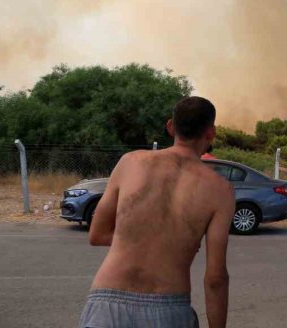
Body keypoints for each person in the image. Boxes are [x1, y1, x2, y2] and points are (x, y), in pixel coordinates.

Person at [79, 96, 236, 328]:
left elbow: (97, 234)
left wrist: (136, 238)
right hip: (168, 308)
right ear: (211, 133)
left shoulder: (130, 162)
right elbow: (215, 279)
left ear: (171, 126)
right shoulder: (220, 190)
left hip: (107, 302)